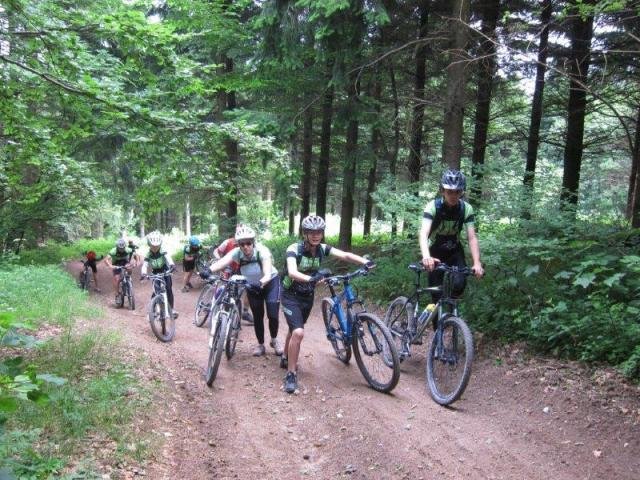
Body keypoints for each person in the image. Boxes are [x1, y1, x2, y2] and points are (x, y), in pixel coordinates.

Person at [280, 215, 374, 394]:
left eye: (319, 232)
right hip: (290, 294)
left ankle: (285, 356)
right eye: (311, 232)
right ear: (304, 233)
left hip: (307, 295)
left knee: (294, 330)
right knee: (299, 332)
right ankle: (291, 374)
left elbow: (345, 255)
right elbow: (292, 272)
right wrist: (312, 278)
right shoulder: (294, 248)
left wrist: (365, 261)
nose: (316, 235)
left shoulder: (322, 248)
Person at [208, 225, 282, 357]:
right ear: (239, 245)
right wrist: (208, 271)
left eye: (249, 243)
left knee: (273, 315)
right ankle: (260, 344)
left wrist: (264, 278)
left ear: (253, 242)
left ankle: (274, 340)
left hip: (271, 283)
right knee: (258, 316)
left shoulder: (262, 251)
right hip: (253, 286)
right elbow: (222, 262)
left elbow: (267, 268)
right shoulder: (237, 253)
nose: (246, 247)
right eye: (242, 244)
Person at [419, 169, 484, 302]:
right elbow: (423, 233)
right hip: (435, 252)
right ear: (442, 191)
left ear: (462, 191)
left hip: (455, 250)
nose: (453, 195)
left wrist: (477, 263)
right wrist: (426, 256)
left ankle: (450, 311)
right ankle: (437, 318)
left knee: (460, 283)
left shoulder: (466, 208)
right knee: (436, 294)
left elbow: (472, 238)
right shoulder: (432, 206)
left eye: (457, 192)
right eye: (449, 191)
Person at [212, 227, 253, 324]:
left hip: (241, 269)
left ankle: (245, 312)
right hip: (228, 268)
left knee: (247, 289)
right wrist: (219, 260)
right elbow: (216, 251)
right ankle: (215, 306)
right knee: (224, 287)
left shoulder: (250, 244)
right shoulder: (227, 242)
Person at [140, 231, 178, 318]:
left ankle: (171, 309)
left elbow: (168, 257)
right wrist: (143, 273)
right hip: (155, 272)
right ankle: (152, 311)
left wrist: (172, 265)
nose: (155, 248)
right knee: (155, 291)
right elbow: (145, 265)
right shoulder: (148, 254)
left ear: (160, 244)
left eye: (157, 246)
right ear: (149, 245)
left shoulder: (163, 250)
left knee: (168, 289)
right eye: (153, 246)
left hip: (165, 270)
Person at [104, 238, 137, 304]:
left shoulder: (128, 249)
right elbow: (106, 260)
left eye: (123, 248)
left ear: (125, 246)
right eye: (120, 248)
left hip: (125, 262)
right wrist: (110, 266)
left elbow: (135, 254)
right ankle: (117, 295)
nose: (121, 250)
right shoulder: (113, 251)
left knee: (129, 267)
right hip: (116, 263)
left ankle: (128, 278)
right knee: (117, 278)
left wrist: (135, 262)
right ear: (117, 247)